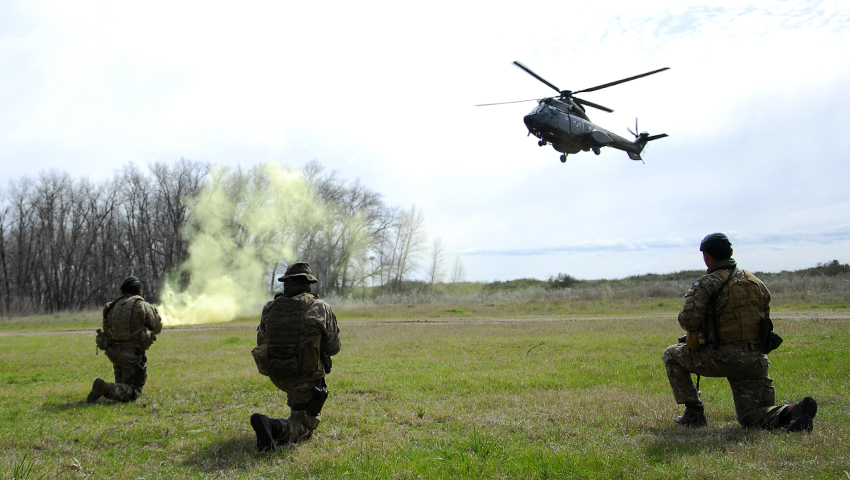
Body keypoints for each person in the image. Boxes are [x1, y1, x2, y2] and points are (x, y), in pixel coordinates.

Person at [662, 233, 818, 432]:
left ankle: (694, 413)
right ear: (731, 252)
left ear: (706, 256)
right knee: (752, 416)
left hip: (721, 357)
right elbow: (765, 322)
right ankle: (792, 411)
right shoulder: (757, 283)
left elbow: (688, 321)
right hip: (755, 360)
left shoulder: (707, 283)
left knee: (671, 354)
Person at [250, 262, 341, 451]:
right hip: (306, 376)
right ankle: (272, 426)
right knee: (305, 429)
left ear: (289, 281)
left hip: (277, 373)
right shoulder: (320, 307)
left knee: (299, 402)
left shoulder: (270, 307)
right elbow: (333, 347)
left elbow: (261, 342)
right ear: (308, 282)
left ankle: (293, 412)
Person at [88, 275, 162, 403]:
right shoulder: (142, 305)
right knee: (134, 392)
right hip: (132, 358)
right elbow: (156, 328)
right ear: (139, 292)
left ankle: (110, 388)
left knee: (122, 387)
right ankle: (104, 388)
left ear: (122, 292)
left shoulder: (110, 307)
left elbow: (107, 330)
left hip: (114, 354)